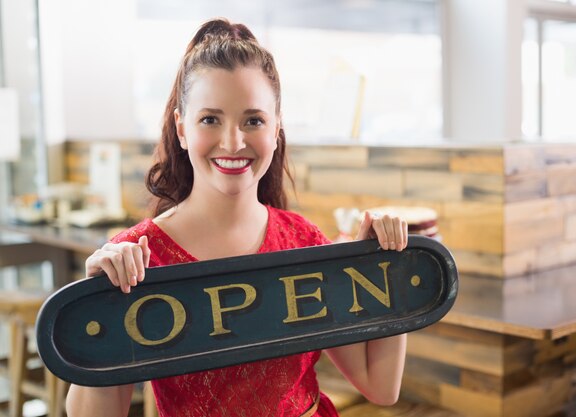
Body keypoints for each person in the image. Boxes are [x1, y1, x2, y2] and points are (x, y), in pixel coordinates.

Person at [66, 18, 408, 417]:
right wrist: (99, 306)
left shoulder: (304, 241)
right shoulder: (139, 258)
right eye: (210, 119)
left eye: (253, 120)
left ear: (276, 127)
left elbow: (381, 387)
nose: (233, 142)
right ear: (181, 128)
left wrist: (388, 267)